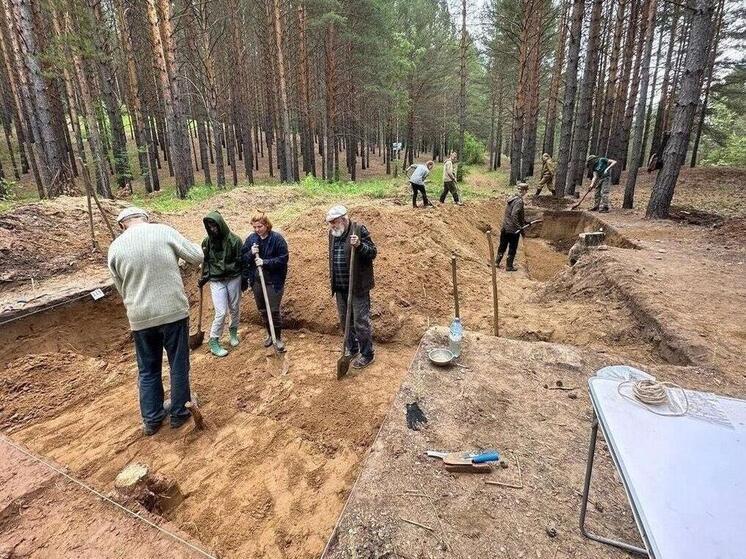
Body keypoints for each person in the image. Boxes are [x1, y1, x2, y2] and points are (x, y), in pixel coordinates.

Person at [107, 207, 203, 436]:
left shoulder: (115, 247)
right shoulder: (162, 231)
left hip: (139, 318)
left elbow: (121, 288)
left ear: (123, 225)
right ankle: (179, 414)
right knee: (178, 363)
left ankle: (152, 420)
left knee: (148, 370)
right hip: (172, 313)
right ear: (146, 219)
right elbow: (197, 257)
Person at [326, 205, 377, 369]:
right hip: (340, 287)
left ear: (343, 219)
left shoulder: (358, 229)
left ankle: (367, 354)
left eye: (334, 222)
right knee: (344, 321)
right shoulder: (332, 234)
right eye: (330, 223)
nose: (332, 225)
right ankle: (352, 348)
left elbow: (373, 252)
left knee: (360, 322)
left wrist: (360, 246)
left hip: (358, 287)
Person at [198, 211, 244, 358]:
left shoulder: (235, 241)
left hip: (233, 278)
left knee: (235, 307)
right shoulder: (207, 243)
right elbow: (206, 263)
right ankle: (214, 340)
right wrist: (204, 277)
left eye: (215, 225)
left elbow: (241, 261)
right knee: (221, 312)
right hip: (216, 280)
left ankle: (233, 332)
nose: (213, 228)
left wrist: (243, 280)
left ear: (221, 224)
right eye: (209, 226)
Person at [241, 212, 289, 352]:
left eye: (260, 226)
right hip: (257, 281)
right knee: (263, 310)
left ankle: (277, 338)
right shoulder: (251, 239)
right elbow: (242, 258)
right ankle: (270, 334)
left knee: (273, 310)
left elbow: (283, 258)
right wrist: (251, 252)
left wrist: (265, 262)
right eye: (254, 227)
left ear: (267, 225)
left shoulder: (277, 239)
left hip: (274, 281)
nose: (257, 229)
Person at [495, 183, 529, 272]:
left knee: (502, 245)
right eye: (526, 191)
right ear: (525, 191)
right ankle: (509, 266)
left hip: (505, 227)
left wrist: (524, 221)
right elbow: (514, 214)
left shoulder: (512, 198)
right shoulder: (519, 201)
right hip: (513, 230)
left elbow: (516, 215)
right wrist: (519, 227)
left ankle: (496, 262)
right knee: (512, 248)